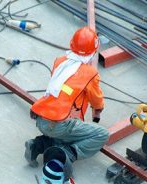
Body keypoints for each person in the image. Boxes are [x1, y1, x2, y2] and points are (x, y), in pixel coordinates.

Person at [25, 27, 109, 167]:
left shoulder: (60, 61)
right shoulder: (90, 73)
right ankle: (67, 153)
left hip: (41, 118)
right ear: (94, 51)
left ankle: (37, 145)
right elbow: (96, 100)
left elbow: (62, 88)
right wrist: (98, 111)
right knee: (101, 134)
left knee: (66, 131)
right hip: (59, 124)